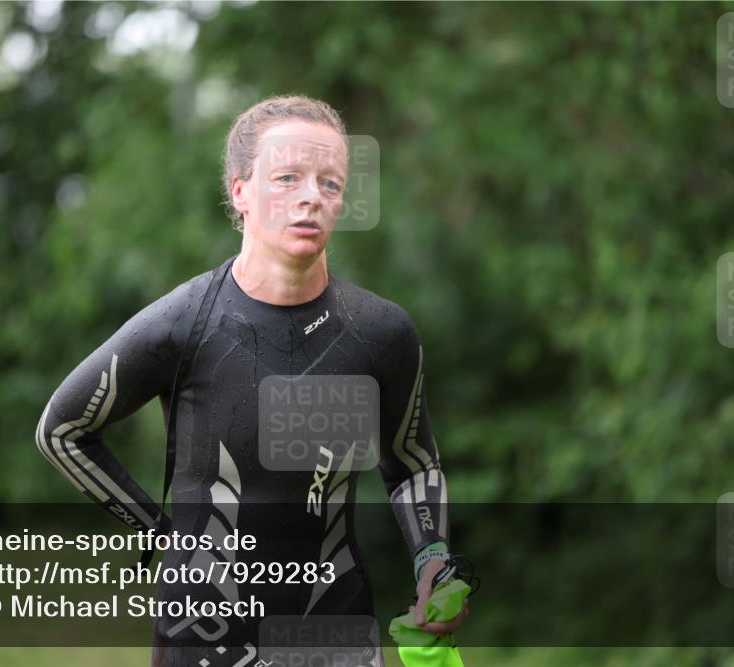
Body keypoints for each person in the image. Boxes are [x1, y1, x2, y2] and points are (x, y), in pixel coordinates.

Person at [36, 94, 468, 666]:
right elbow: (62, 431)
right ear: (240, 192)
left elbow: (413, 464)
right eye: (288, 178)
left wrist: (432, 565)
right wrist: (160, 542)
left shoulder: (380, 333)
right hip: (202, 640)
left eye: (330, 183)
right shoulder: (184, 322)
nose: (312, 196)